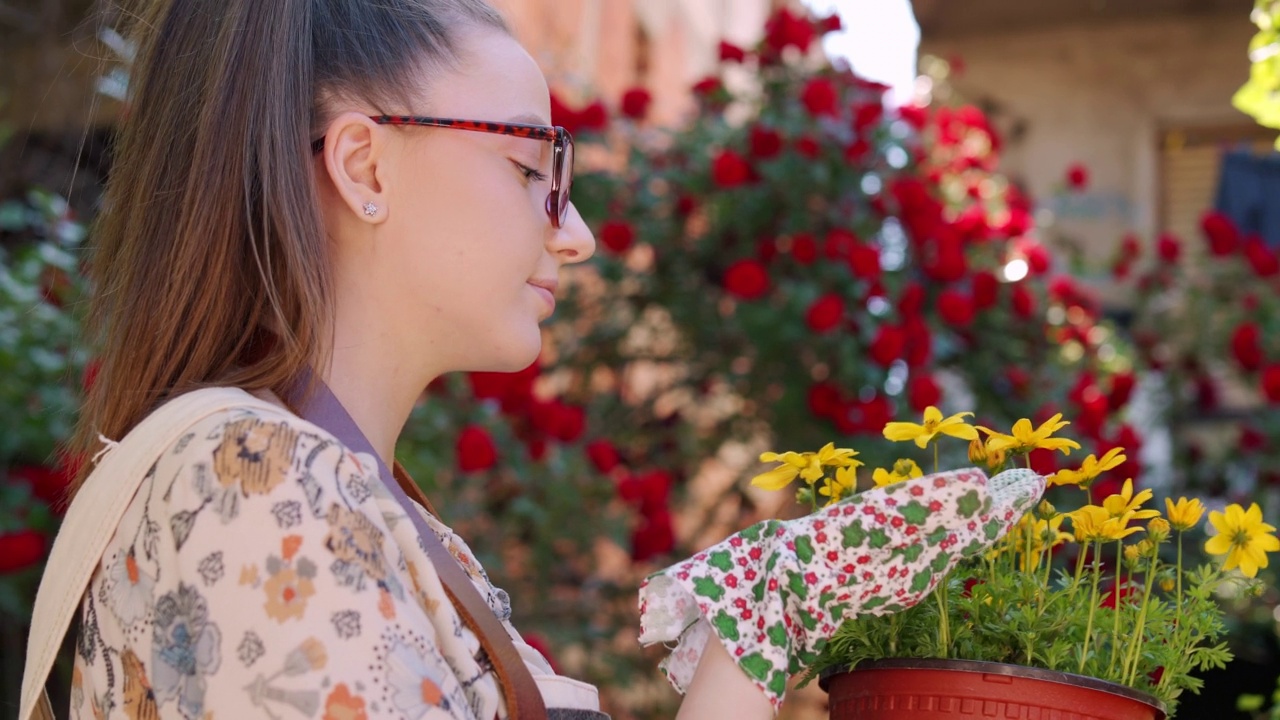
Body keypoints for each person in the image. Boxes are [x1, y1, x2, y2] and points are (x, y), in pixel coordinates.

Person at [45, 1, 1046, 718]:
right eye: (531, 168)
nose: (576, 234)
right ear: (363, 165)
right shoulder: (259, 486)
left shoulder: (340, 498)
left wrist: (757, 629)